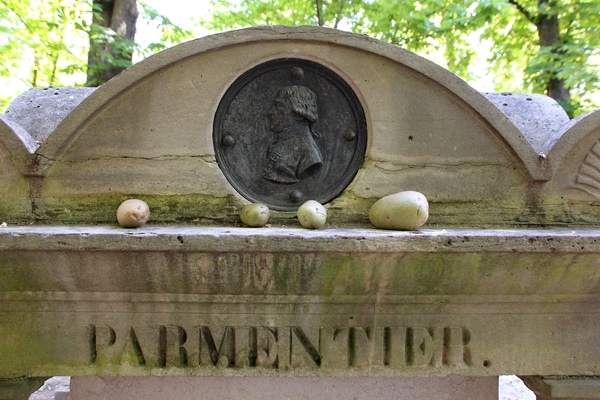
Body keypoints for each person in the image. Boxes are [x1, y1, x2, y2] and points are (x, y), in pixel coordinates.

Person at [262, 85, 323, 183]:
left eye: (278, 105)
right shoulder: (279, 143)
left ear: (299, 114)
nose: (270, 112)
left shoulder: (309, 156)